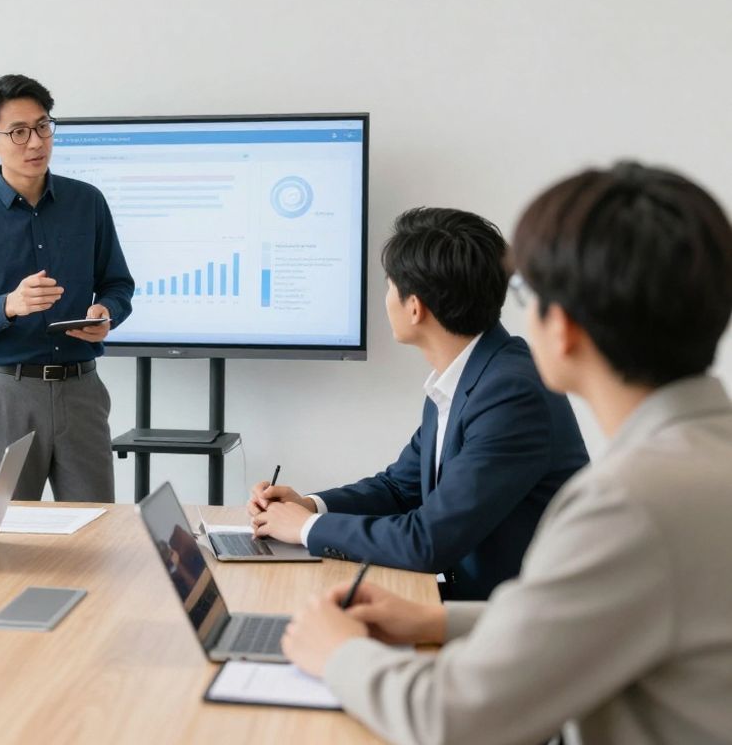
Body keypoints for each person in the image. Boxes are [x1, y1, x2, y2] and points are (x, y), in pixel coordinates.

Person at [281, 162, 732, 744]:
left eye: (526, 294)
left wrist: (337, 654)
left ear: (562, 326)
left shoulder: (629, 504)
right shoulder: (698, 461)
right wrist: (435, 619)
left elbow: (454, 720)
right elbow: (602, 612)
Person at [247, 208, 588, 599]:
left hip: (511, 622)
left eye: (390, 285)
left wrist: (305, 529)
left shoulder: (511, 395)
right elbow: (399, 488)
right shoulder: (470, 374)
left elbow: (427, 542)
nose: (386, 297)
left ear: (415, 306)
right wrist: (310, 505)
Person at [0, 73, 134, 502]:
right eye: (19, 132)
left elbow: (117, 283)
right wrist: (9, 305)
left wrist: (107, 313)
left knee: (96, 534)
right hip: (9, 394)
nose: (36, 142)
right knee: (8, 535)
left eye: (43, 126)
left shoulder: (88, 203)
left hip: (82, 391)